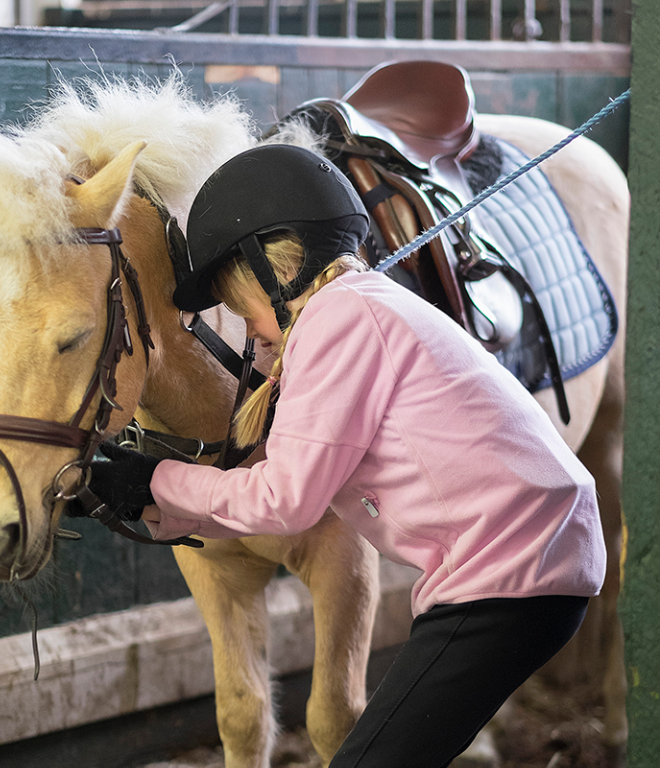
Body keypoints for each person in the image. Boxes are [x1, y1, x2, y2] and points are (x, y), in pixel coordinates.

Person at [75, 144, 607, 767]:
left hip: (509, 575)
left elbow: (286, 500)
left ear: (274, 272)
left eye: (241, 306)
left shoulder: (339, 319)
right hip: (520, 571)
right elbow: (303, 495)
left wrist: (160, 479)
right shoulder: (362, 305)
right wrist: (145, 499)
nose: (251, 333)